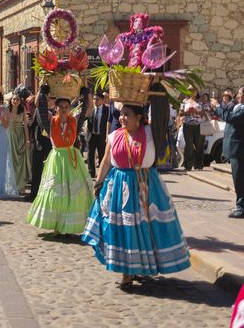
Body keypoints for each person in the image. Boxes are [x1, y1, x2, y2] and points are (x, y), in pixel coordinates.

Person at [82, 103, 190, 289]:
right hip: (120, 187)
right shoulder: (115, 135)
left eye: (127, 115)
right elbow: (106, 161)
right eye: (121, 114)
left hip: (146, 186)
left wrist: (155, 86)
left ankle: (141, 265)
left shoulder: (150, 134)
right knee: (124, 229)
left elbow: (161, 114)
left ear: (139, 117)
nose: (122, 118)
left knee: (146, 228)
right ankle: (126, 272)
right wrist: (98, 182)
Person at [26, 86, 94, 234]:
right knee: (55, 193)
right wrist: (42, 92)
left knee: (72, 193)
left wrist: (87, 93)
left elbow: (89, 108)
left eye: (66, 107)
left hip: (72, 160)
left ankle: (69, 226)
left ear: (70, 108)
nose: (64, 109)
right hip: (56, 160)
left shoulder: (75, 121)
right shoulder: (51, 122)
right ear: (56, 108)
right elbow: (39, 107)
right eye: (61, 107)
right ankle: (57, 224)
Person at [216, 86, 244, 218]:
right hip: (234, 149)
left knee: (239, 179)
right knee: (237, 178)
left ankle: (241, 208)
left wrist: (217, 107)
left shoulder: (242, 110)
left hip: (239, 149)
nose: (238, 96)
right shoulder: (238, 106)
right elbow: (228, 113)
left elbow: (231, 118)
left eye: (240, 93)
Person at [28, 97, 54, 202]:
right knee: (36, 169)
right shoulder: (39, 110)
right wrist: (31, 138)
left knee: (48, 170)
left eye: (49, 100)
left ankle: (47, 195)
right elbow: (34, 125)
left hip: (51, 144)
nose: (47, 102)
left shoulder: (57, 110)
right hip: (39, 142)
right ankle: (34, 194)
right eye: (46, 100)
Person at [7, 93, 31, 192]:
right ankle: (11, 185)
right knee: (11, 161)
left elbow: (25, 125)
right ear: (11, 100)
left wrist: (27, 139)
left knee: (20, 161)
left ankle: (21, 185)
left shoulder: (23, 110)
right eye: (13, 99)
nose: (15, 101)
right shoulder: (7, 110)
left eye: (17, 99)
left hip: (20, 136)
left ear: (20, 101)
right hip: (9, 137)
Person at [180, 91, 207, 171]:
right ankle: (188, 165)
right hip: (187, 126)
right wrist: (187, 112)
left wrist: (196, 112)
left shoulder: (200, 102)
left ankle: (198, 165)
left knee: (199, 145)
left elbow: (205, 114)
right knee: (189, 145)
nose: (192, 91)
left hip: (198, 126)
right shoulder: (184, 102)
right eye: (190, 89)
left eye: (193, 90)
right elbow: (180, 113)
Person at [87, 92, 110, 178]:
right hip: (91, 135)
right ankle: (91, 173)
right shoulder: (91, 109)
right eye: (94, 99)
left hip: (101, 136)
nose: (95, 101)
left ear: (103, 100)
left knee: (101, 155)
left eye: (97, 99)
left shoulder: (107, 110)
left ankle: (101, 173)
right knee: (90, 154)